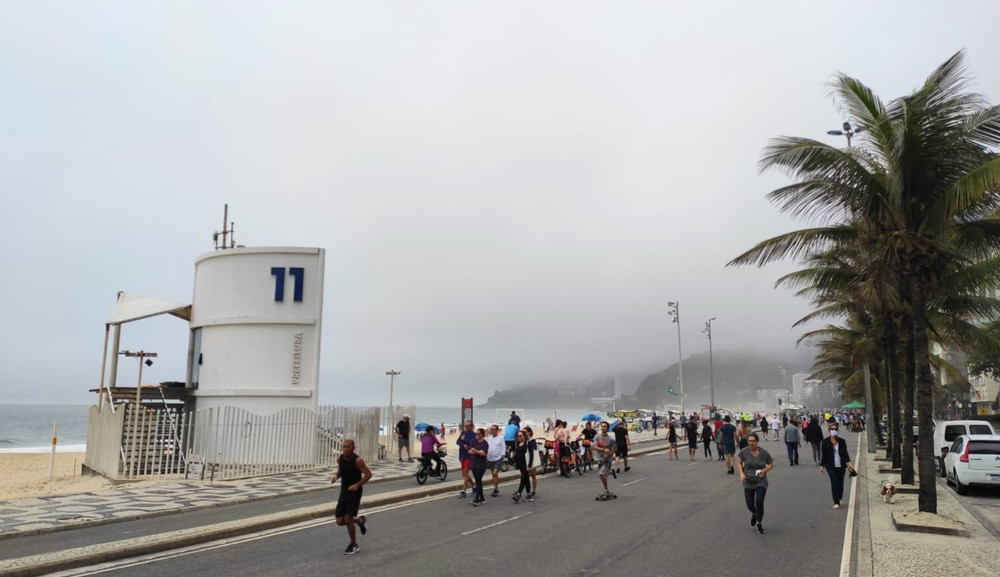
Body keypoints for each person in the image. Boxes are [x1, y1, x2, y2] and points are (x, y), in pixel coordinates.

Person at [330, 439, 372, 555]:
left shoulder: (358, 460)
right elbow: (341, 471)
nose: (345, 449)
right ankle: (360, 520)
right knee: (339, 521)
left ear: (353, 448)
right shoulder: (340, 459)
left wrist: (356, 485)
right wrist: (336, 477)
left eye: (348, 447)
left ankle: (354, 545)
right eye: (344, 447)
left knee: (348, 519)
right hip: (344, 492)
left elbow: (368, 475)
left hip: (355, 492)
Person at [737, 433, 774, 535]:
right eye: (749, 441)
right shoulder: (744, 452)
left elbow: (771, 464)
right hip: (748, 480)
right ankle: (754, 513)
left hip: (761, 481)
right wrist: (741, 474)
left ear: (757, 441)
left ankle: (759, 524)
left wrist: (765, 470)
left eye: (753, 441)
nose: (751, 443)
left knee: (759, 502)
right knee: (749, 504)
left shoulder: (764, 453)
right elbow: (739, 462)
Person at [819, 423, 856, 509]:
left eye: (835, 429)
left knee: (840, 483)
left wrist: (849, 465)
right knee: (834, 482)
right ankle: (836, 502)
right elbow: (824, 455)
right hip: (830, 466)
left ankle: (839, 497)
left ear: (837, 430)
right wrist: (822, 466)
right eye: (832, 429)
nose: (833, 431)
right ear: (829, 430)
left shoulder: (842, 441)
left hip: (841, 465)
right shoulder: (825, 442)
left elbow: (845, 454)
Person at [593, 421, 618, 498]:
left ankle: (606, 490)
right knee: (603, 474)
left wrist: (609, 454)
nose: (603, 428)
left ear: (607, 428)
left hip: (607, 460)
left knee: (601, 474)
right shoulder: (597, 437)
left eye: (604, 427)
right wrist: (603, 450)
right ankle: (610, 472)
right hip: (600, 458)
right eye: (602, 426)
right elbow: (595, 447)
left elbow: (615, 449)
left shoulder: (610, 439)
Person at [468, 428, 489, 506]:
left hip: (481, 464)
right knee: (478, 480)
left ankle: (477, 498)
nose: (477, 435)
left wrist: (476, 451)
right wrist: (476, 452)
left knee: (477, 479)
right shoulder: (473, 441)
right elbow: (469, 451)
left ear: (482, 435)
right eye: (476, 434)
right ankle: (482, 498)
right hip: (474, 464)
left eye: (478, 434)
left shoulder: (485, 443)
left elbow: (483, 453)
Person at [456, 420, 476, 499]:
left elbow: (470, 444)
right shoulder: (463, 433)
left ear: (471, 426)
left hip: (469, 456)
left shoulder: (474, 435)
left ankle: (464, 491)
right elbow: (458, 441)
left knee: (465, 473)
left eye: (468, 426)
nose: (466, 428)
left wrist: (463, 441)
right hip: (462, 455)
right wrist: (463, 443)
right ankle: (474, 487)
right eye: (465, 426)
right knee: (464, 474)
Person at [510, 431, 532, 503]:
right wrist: (511, 463)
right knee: (526, 479)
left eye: (521, 436)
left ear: (524, 436)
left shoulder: (528, 444)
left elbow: (531, 456)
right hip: (520, 464)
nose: (519, 437)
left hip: (526, 465)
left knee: (523, 479)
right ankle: (529, 495)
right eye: (518, 436)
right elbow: (516, 455)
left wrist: (529, 465)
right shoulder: (518, 444)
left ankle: (518, 494)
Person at [486, 424, 505, 497]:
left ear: (497, 430)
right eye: (491, 429)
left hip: (498, 458)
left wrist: (503, 455)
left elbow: (503, 447)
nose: (492, 431)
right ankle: (495, 488)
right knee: (493, 474)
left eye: (493, 429)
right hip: (490, 458)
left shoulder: (501, 438)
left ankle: (496, 488)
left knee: (495, 473)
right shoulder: (489, 438)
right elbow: (487, 447)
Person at [524, 426, 539, 499]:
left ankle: (533, 490)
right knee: (528, 476)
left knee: (532, 476)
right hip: (526, 460)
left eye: (525, 432)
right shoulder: (525, 440)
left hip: (531, 461)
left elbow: (533, 451)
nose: (524, 433)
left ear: (529, 432)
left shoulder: (532, 440)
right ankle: (530, 490)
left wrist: (530, 464)